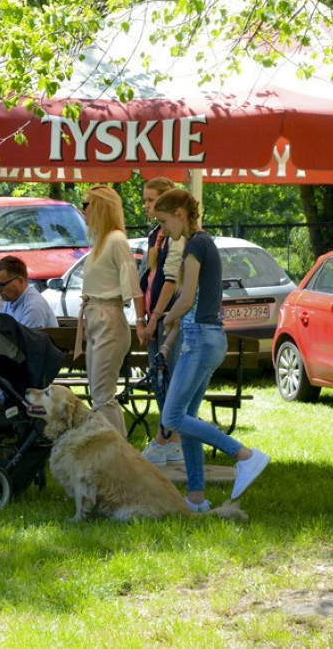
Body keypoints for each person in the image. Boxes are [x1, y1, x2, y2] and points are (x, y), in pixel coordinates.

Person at [155, 188, 269, 511]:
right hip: (209, 338)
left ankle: (244, 456)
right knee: (187, 418)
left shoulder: (195, 245)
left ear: (180, 214)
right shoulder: (205, 244)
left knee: (172, 416)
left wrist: (165, 317)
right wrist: (169, 338)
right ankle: (196, 498)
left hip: (200, 339)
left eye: (164, 222)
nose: (164, 231)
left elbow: (187, 298)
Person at [77, 186, 143, 433]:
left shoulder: (115, 239)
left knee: (103, 394)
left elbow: (132, 282)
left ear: (101, 206)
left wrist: (142, 321)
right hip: (97, 317)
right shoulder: (101, 241)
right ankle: (110, 449)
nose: (83, 210)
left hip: (108, 319)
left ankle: (118, 452)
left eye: (86, 204)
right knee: (98, 393)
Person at [136, 177, 186, 467]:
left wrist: (155, 318)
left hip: (168, 319)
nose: (146, 205)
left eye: (151, 200)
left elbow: (170, 281)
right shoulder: (156, 235)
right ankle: (170, 442)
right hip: (153, 317)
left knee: (170, 376)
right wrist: (142, 318)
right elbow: (146, 279)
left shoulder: (177, 237)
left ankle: (169, 440)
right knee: (159, 379)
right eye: (144, 200)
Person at [0, 255, 58, 329]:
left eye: (2, 285)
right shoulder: (12, 300)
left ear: (20, 281)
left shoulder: (34, 306)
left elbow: (25, 340)